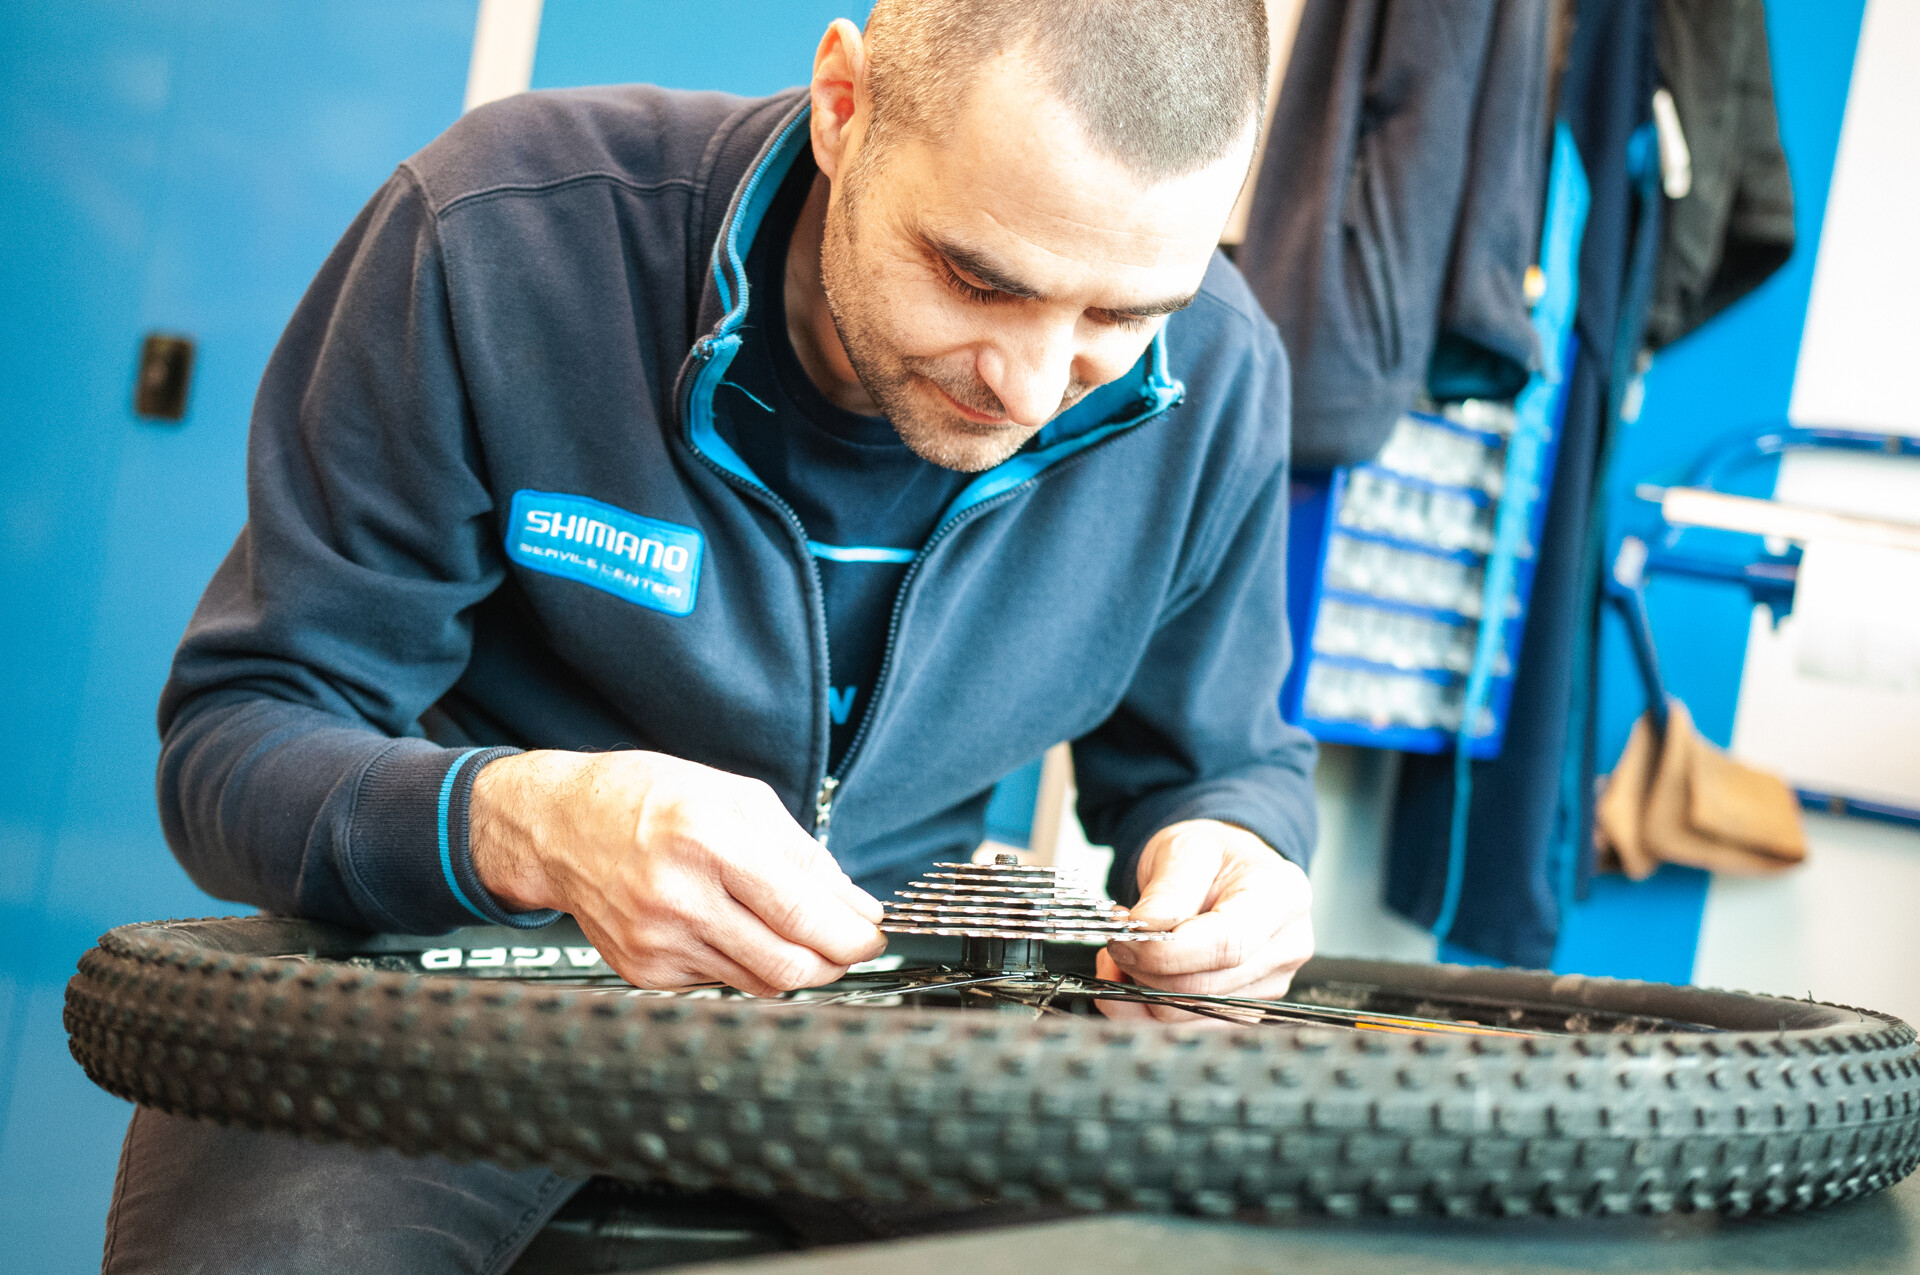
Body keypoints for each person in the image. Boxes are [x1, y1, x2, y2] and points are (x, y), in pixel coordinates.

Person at [104, 1, 1318, 1270]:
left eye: (1119, 318)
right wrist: (535, 827)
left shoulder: (1221, 374)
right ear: (845, 107)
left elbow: (1224, 765)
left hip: (900, 1017)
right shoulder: (503, 232)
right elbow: (236, 747)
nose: (1025, 384)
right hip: (452, 981)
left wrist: (1238, 856)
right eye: (979, 280)